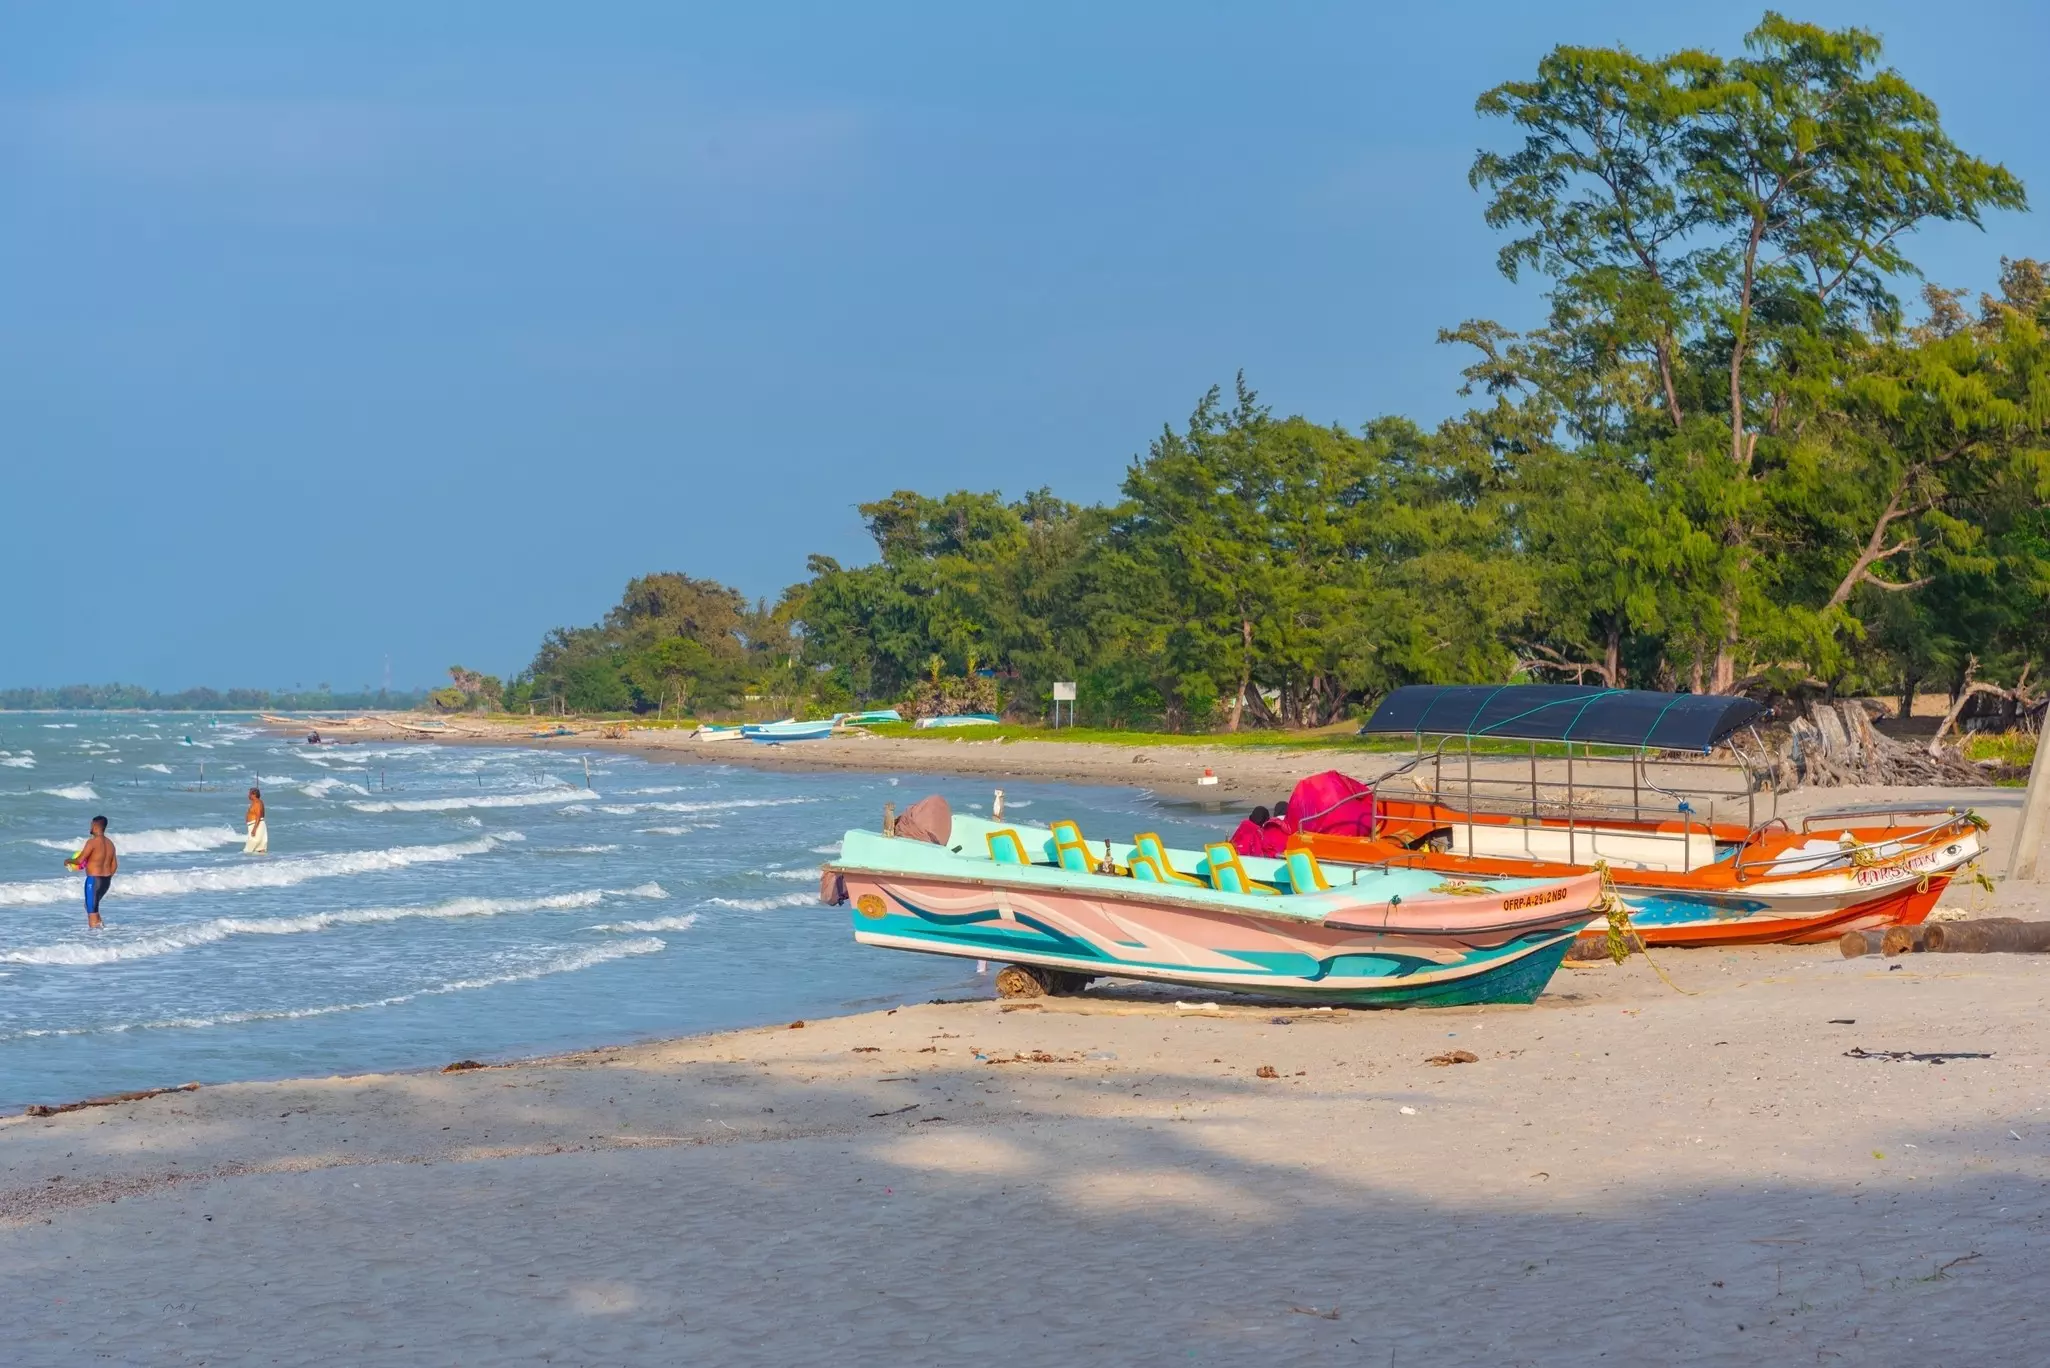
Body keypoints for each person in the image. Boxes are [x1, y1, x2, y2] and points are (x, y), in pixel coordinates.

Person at [66, 816, 118, 929]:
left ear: (95, 826)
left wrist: (68, 861)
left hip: (94, 881)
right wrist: (106, 877)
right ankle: (102, 931)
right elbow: (114, 865)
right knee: (91, 907)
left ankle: (95, 940)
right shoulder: (110, 844)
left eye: (91, 825)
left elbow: (79, 860)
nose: (90, 828)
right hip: (106, 881)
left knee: (92, 912)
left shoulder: (92, 842)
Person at [244, 786, 270, 855]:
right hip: (255, 824)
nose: (248, 795)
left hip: (256, 825)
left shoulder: (257, 803)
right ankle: (258, 862)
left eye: (249, 794)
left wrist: (254, 829)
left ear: (254, 794)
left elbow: (258, 816)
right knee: (259, 847)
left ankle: (247, 860)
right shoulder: (255, 802)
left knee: (252, 844)